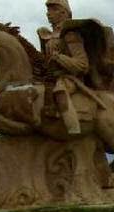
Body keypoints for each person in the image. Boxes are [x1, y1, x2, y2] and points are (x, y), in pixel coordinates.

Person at [38, 0, 88, 134]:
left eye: (53, 10)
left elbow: (82, 65)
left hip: (69, 78)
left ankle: (74, 130)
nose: (48, 14)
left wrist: (59, 58)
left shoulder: (70, 34)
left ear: (63, 12)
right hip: (49, 78)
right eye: (48, 10)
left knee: (60, 90)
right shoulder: (47, 36)